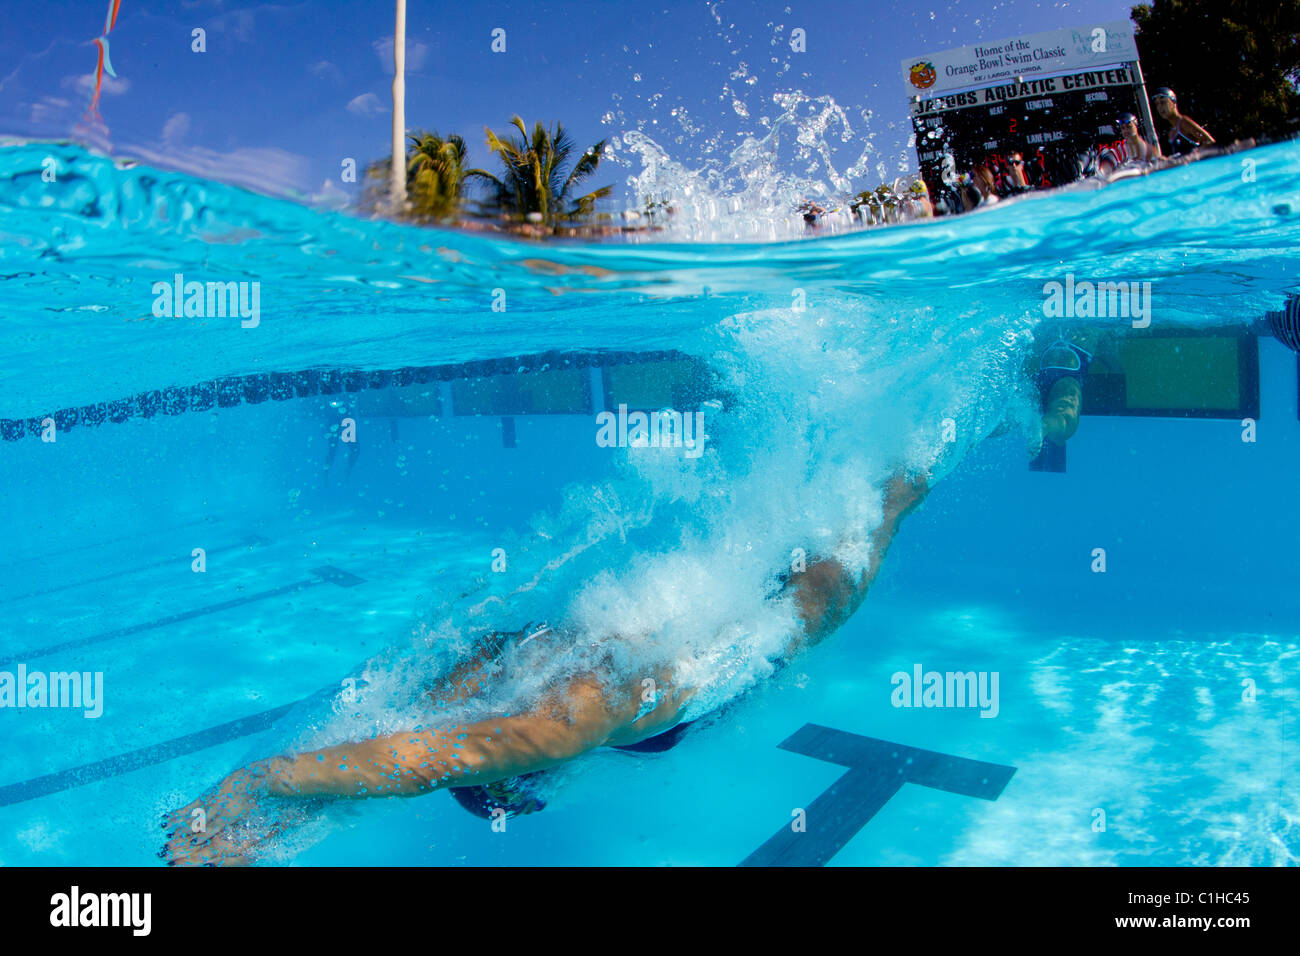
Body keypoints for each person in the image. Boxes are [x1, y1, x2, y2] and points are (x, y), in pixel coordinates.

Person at [162, 469, 934, 866]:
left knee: (844, 574)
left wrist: (257, 785)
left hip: (727, 649)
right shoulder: (520, 675)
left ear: (512, 782)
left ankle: (903, 479)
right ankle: (889, 482)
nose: (529, 805)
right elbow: (422, 742)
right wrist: (272, 824)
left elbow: (432, 759)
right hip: (676, 635)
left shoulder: (569, 724)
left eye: (510, 801)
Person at [1150, 88, 1214, 157]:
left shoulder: (1183, 122)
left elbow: (1209, 141)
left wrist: (1193, 155)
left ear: (1173, 102)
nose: (1160, 107)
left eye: (1163, 102)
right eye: (1157, 104)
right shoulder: (1171, 132)